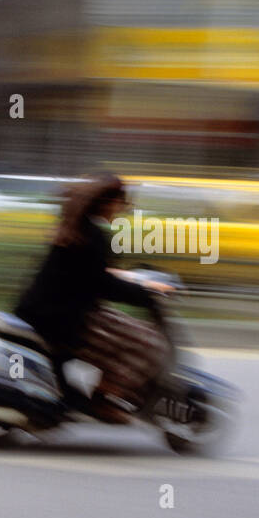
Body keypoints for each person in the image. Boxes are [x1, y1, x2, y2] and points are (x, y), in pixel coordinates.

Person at [13, 173, 172, 423]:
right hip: (65, 321)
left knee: (129, 331)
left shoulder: (74, 227)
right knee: (149, 344)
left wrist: (124, 277)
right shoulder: (92, 236)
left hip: (47, 309)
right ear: (109, 202)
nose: (123, 210)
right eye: (123, 204)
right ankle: (104, 398)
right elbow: (102, 285)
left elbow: (86, 273)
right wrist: (147, 294)